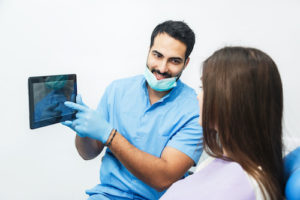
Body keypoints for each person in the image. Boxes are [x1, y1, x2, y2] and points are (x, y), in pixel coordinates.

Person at [62, 20, 203, 200]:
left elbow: (163, 178)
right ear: (148, 51)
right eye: (157, 55)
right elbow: (87, 154)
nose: (162, 68)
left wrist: (110, 136)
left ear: (186, 63)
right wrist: (83, 130)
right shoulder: (117, 91)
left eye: (174, 61)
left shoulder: (195, 109)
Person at [161, 47, 284, 200]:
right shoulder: (213, 163)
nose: (198, 97)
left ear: (234, 101)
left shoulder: (247, 186)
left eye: (205, 88)